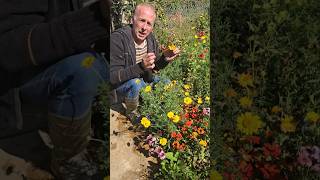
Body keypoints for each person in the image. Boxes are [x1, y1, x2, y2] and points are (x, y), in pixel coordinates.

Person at [0, 0, 110, 179]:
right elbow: (8, 50)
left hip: (88, 55)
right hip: (25, 76)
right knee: (84, 69)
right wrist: (97, 18)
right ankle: (67, 158)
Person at [110, 3, 180, 118]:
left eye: (149, 24)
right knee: (136, 84)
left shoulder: (150, 38)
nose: (144, 28)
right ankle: (131, 112)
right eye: (142, 20)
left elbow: (154, 67)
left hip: (143, 80)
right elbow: (112, 77)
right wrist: (141, 67)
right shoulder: (117, 39)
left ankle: (163, 112)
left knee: (166, 82)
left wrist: (164, 59)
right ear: (132, 20)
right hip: (122, 86)